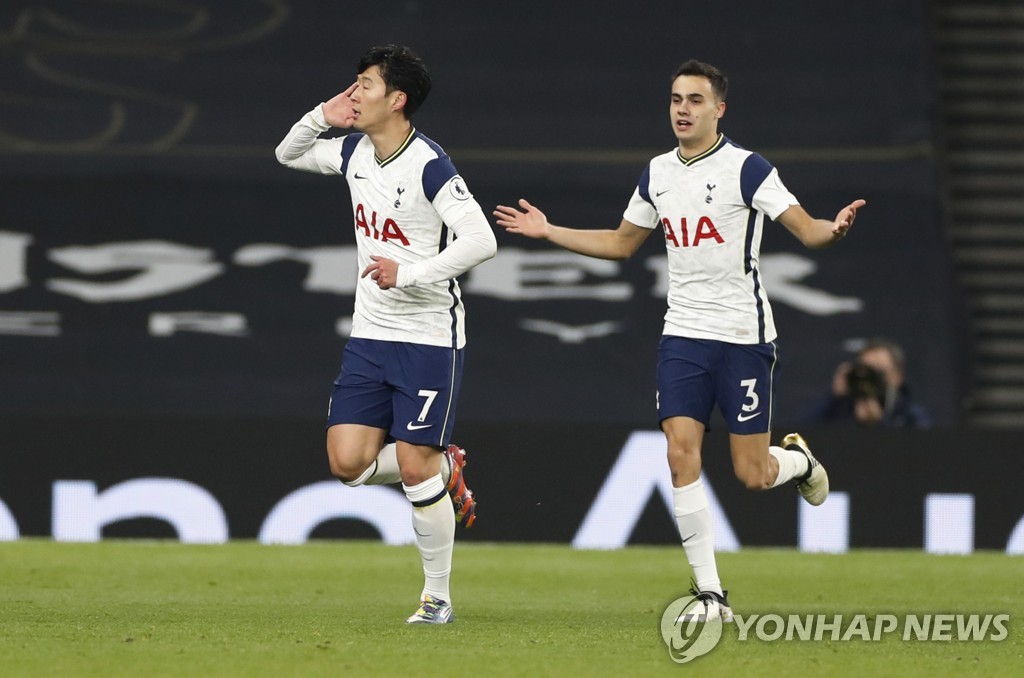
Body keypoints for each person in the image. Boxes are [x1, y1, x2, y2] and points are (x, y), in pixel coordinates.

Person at [495, 59, 865, 622]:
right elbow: (622, 245)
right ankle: (711, 593)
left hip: (743, 337)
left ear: (719, 109)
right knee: (678, 453)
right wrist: (550, 231)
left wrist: (831, 230)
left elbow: (806, 228)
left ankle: (797, 463)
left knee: (751, 473)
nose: (683, 110)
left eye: (695, 100)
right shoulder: (657, 173)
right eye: (675, 99)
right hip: (684, 335)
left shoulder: (748, 169)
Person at [275, 44, 497, 624]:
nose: (356, 92)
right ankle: (448, 464)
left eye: (365, 85)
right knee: (348, 463)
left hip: (427, 336)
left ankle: (437, 597)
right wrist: (322, 115)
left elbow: (481, 240)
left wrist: (411, 272)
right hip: (370, 334)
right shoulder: (351, 151)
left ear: (397, 100)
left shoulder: (429, 164)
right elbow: (287, 153)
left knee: (415, 469)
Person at [805, 338, 932, 428]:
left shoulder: (910, 415)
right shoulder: (840, 407)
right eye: (866, 370)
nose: (872, 378)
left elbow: (919, 451)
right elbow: (801, 435)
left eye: (879, 371)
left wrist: (879, 425)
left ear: (897, 377)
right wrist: (834, 396)